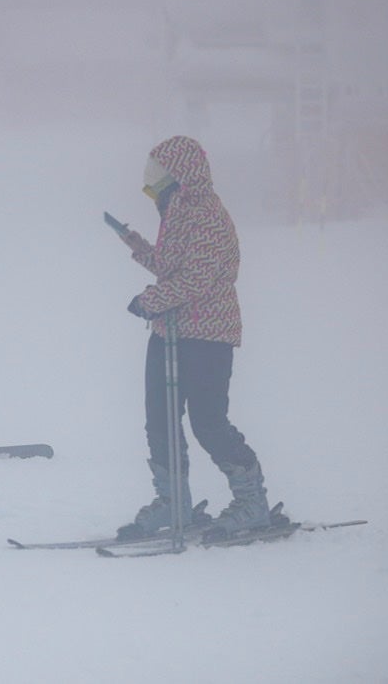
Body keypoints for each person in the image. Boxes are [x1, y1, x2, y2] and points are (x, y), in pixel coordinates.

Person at [113, 136, 276, 541]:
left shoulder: (207, 214)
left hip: (207, 333)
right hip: (170, 329)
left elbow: (197, 279)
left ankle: (252, 501)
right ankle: (174, 501)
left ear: (180, 174)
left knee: (208, 421)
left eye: (158, 175)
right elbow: (173, 269)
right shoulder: (178, 210)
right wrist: (140, 249)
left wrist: (150, 300)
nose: (152, 184)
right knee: (160, 418)